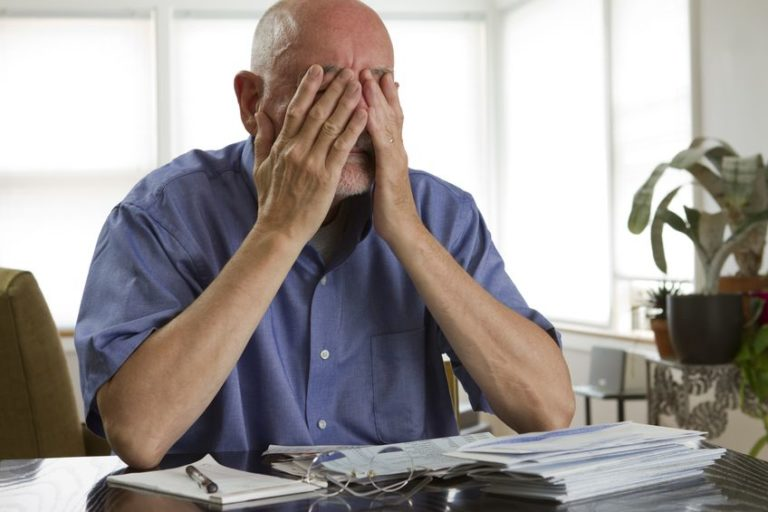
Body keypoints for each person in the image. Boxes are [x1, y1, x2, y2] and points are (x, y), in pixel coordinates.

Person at [75, 0, 574, 470]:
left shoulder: (443, 214)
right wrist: (278, 231)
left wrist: (407, 230)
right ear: (253, 102)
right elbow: (138, 434)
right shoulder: (162, 215)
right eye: (326, 88)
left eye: (377, 85)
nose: (357, 117)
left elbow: (548, 410)